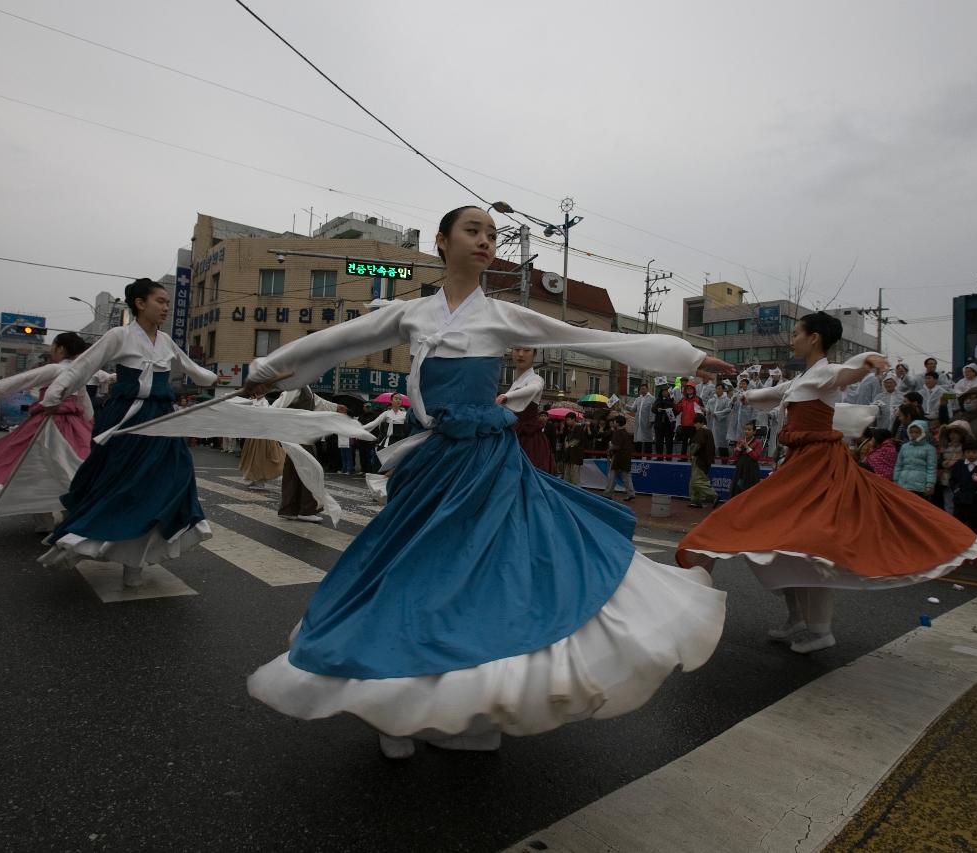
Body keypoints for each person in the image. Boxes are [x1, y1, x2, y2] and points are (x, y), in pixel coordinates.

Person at [242, 205, 729, 757]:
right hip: (432, 466)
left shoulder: (502, 315)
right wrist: (263, 373)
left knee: (491, 579)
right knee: (414, 574)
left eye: (492, 234)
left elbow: (596, 341)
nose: (486, 240)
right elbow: (333, 343)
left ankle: (468, 709)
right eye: (473, 230)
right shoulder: (412, 315)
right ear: (442, 242)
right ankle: (396, 707)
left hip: (491, 463)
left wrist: (689, 358)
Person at [677, 312, 977, 655]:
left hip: (818, 468)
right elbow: (775, 392)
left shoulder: (825, 372)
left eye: (796, 333)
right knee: (779, 544)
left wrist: (867, 362)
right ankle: (797, 619)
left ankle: (820, 629)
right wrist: (744, 395)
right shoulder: (804, 378)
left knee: (811, 548)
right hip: (797, 466)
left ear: (814, 338)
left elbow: (845, 373)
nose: (792, 337)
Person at [37, 278, 223, 588]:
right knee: (124, 486)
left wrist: (232, 380)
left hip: (162, 421)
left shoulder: (166, 342)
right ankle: (88, 539)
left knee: (174, 480)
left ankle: (135, 559)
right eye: (160, 301)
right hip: (126, 420)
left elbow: (197, 372)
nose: (165, 307)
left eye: (166, 302)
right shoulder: (118, 336)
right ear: (140, 303)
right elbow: (81, 368)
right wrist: (53, 397)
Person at [0, 332, 99, 530]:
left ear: (61, 348)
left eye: (53, 347)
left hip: (49, 423)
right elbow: (84, 401)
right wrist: (89, 421)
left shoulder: (55, 368)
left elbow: (23, 380)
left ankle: (45, 520)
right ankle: (71, 516)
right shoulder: (80, 372)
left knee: (33, 469)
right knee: (75, 468)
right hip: (75, 426)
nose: (52, 351)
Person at [276, 386, 342, 522]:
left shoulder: (307, 389)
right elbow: (277, 406)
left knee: (294, 471)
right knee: (310, 470)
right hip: (297, 436)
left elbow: (320, 403)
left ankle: (289, 509)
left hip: (301, 436)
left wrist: (337, 407)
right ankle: (306, 510)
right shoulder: (295, 387)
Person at [499, 346, 554, 475]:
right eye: (517, 350)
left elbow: (534, 388)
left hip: (529, 441)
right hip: (512, 437)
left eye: (527, 350)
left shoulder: (535, 378)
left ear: (535, 353)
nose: (521, 354)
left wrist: (506, 396)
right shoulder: (516, 381)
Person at [236, 384, 286, 491]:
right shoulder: (253, 401)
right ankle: (254, 478)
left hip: (262, 436)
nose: (257, 394)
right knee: (252, 458)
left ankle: (260, 481)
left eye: (260, 392)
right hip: (254, 435)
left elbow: (265, 417)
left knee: (260, 458)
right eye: (257, 392)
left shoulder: (265, 403)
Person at [949, 441, 977, 535]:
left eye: (974, 452)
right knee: (958, 521)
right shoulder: (959, 465)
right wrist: (956, 491)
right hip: (960, 499)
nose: (971, 455)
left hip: (975, 501)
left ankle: (974, 541)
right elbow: (953, 480)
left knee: (974, 523)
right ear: (964, 453)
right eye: (968, 452)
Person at [895, 419, 938, 503]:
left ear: (923, 433)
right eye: (911, 432)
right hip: (903, 483)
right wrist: (896, 480)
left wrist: (930, 484)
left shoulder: (930, 449)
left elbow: (931, 468)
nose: (914, 434)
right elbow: (899, 465)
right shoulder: (904, 447)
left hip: (920, 487)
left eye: (917, 432)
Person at [603, 415, 636, 501]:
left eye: (614, 422)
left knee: (612, 475)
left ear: (617, 423)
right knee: (627, 476)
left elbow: (616, 446)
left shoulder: (617, 433)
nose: (612, 423)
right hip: (626, 457)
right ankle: (631, 493)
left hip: (618, 457)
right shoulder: (626, 433)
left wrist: (610, 447)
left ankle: (608, 493)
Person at [686, 420, 717, 508]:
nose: (694, 424)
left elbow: (696, 446)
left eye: (696, 422)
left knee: (697, 481)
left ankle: (713, 495)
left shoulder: (702, 432)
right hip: (705, 460)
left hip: (700, 460)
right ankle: (696, 500)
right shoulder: (709, 432)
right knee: (693, 481)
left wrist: (691, 453)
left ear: (701, 423)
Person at [730, 420, 763, 499]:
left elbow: (756, 457)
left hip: (751, 469)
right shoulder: (741, 441)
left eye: (749, 430)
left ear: (754, 432)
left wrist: (747, 447)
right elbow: (735, 455)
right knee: (737, 488)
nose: (746, 431)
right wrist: (738, 449)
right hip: (740, 468)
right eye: (745, 429)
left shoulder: (758, 442)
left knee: (749, 490)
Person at [673, 381, 705, 455]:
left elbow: (702, 411)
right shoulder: (683, 400)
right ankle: (683, 458)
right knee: (684, 442)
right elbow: (678, 410)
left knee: (694, 443)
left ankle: (693, 457)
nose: (689, 389)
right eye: (687, 388)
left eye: (691, 388)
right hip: (684, 425)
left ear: (694, 389)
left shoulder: (698, 399)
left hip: (695, 426)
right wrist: (674, 405)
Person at [627, 382, 655, 456]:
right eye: (640, 389)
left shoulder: (652, 398)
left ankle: (648, 457)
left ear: (647, 389)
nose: (642, 390)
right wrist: (625, 405)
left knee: (647, 440)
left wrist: (651, 421)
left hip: (647, 423)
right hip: (638, 423)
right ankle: (637, 456)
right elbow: (633, 409)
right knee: (638, 440)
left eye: (643, 389)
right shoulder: (638, 399)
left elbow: (653, 411)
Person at [561, 411, 587, 485]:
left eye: (568, 420)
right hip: (569, 455)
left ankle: (576, 491)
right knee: (567, 475)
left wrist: (568, 445)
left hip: (576, 455)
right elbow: (567, 439)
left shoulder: (578, 427)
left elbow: (577, 440)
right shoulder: (569, 429)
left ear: (574, 419)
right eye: (566, 420)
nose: (567, 422)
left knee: (574, 475)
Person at [651, 384, 675, 458]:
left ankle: (669, 457)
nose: (665, 393)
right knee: (658, 441)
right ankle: (659, 457)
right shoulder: (658, 400)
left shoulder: (672, 400)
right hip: (659, 423)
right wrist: (657, 409)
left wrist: (669, 409)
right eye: (663, 391)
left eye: (666, 391)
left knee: (669, 441)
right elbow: (653, 409)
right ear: (661, 392)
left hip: (669, 423)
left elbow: (676, 410)